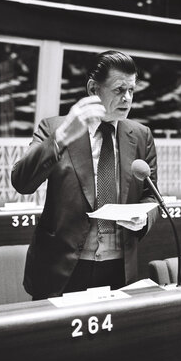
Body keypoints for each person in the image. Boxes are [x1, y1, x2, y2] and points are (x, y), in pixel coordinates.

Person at [11, 50, 159, 299]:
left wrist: (144, 219)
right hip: (64, 268)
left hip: (119, 269)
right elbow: (22, 182)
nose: (127, 98)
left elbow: (152, 197)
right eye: (119, 90)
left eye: (132, 90)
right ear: (93, 88)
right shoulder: (55, 127)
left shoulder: (141, 135)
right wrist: (60, 138)